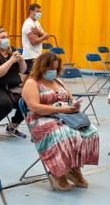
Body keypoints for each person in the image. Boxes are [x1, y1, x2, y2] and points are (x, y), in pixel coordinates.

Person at [22, 52, 100, 191]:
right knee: (67, 135)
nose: (53, 71)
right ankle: (58, 172)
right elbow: (35, 107)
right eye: (50, 68)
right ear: (41, 67)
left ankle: (74, 168)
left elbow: (71, 98)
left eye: (55, 68)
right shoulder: (31, 83)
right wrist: (63, 110)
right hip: (41, 119)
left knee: (91, 132)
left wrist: (74, 104)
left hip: (65, 116)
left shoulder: (58, 81)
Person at [21, 3, 49, 76]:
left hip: (37, 55)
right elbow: (34, 42)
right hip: (30, 56)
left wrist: (38, 32)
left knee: (31, 77)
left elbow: (46, 36)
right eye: (37, 11)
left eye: (40, 12)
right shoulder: (28, 24)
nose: (39, 13)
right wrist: (43, 36)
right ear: (31, 11)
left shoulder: (37, 23)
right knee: (31, 78)